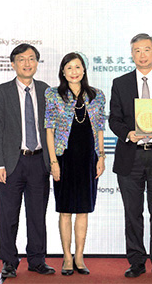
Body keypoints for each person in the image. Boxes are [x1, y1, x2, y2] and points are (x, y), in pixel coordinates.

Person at [109, 33, 152, 279]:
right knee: (133, 213)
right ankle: (136, 261)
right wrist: (128, 133)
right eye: (137, 50)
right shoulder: (120, 83)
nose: (142, 55)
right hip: (131, 156)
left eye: (147, 50)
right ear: (132, 54)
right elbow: (114, 119)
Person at [0, 44, 55, 278]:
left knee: (37, 215)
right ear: (13, 64)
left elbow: (52, 129)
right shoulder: (2, 92)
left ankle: (37, 259)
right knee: (8, 215)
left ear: (37, 63)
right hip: (11, 163)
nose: (27, 63)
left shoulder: (47, 91)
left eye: (31, 59)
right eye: (21, 59)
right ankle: (9, 261)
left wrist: (54, 161)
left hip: (39, 162)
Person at [45, 52, 106, 276]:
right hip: (63, 158)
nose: (74, 71)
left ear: (84, 70)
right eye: (69, 67)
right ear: (63, 71)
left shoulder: (97, 95)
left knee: (83, 210)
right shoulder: (53, 95)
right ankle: (67, 258)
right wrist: (53, 161)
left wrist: (101, 156)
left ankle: (79, 257)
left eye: (78, 67)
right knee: (65, 211)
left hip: (87, 159)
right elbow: (49, 130)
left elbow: (100, 128)